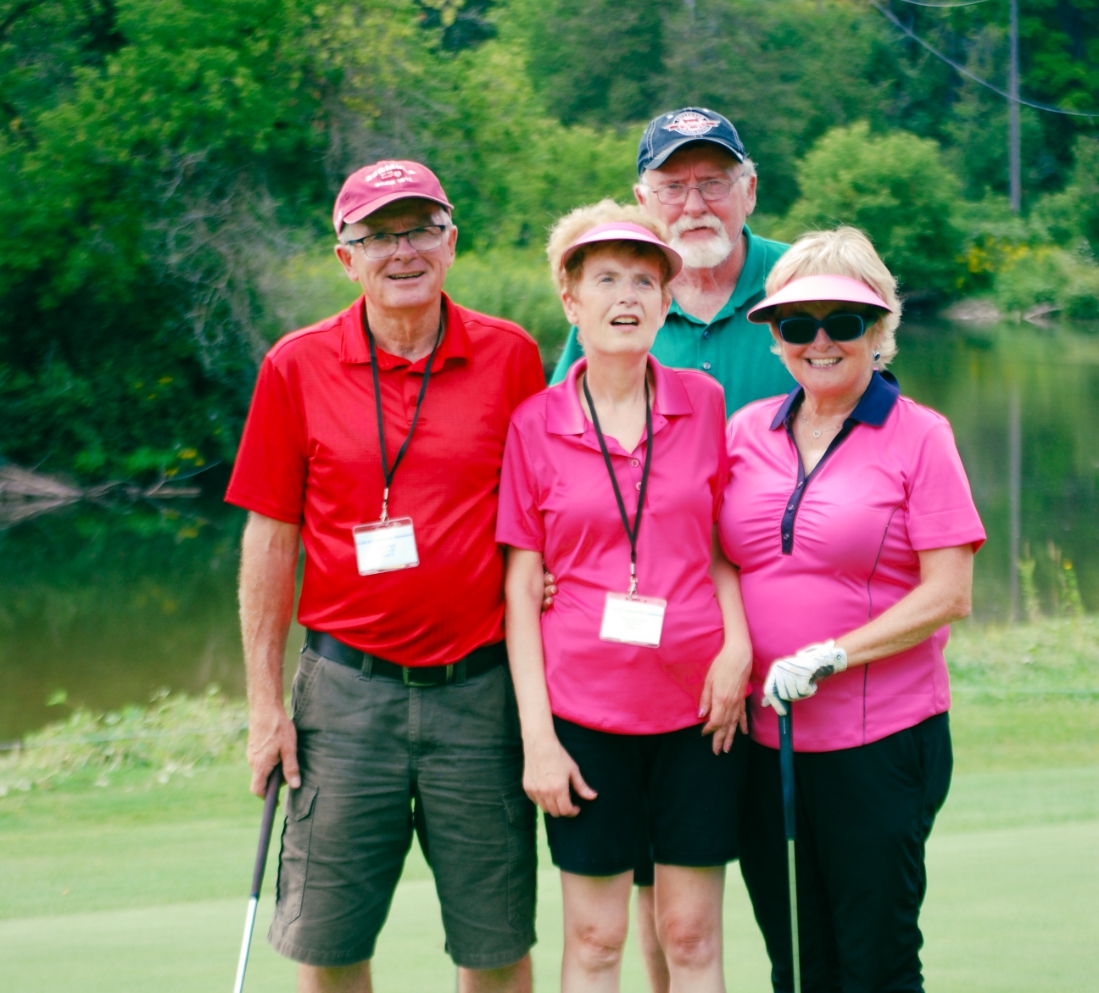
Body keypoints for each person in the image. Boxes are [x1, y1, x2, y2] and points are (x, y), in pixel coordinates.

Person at [225, 159, 545, 993]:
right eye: (377, 235)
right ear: (345, 256)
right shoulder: (294, 366)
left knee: (496, 945)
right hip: (343, 693)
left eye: (418, 229)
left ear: (450, 241)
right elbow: (269, 541)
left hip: (480, 692)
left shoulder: (511, 356)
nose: (400, 251)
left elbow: (544, 515)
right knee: (328, 947)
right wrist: (265, 708)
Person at [548, 108, 795, 992]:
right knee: (655, 914)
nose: (695, 201)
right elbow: (559, 488)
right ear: (644, 201)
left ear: (748, 189)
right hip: (643, 669)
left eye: (712, 181)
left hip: (781, 654)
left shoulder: (794, 286)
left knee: (762, 903)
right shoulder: (610, 317)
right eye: (673, 185)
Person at [719, 227, 986, 993]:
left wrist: (833, 651)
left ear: (879, 329)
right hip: (766, 744)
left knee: (874, 962)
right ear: (775, 338)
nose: (820, 341)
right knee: (797, 961)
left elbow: (949, 592)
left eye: (843, 320)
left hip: (879, 743)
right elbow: (711, 553)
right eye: (796, 325)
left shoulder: (919, 435)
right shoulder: (746, 432)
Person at [498, 202, 755, 992]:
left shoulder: (702, 403)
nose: (627, 296)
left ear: (664, 300)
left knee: (689, 933)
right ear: (570, 299)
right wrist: (537, 738)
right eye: (604, 278)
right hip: (584, 717)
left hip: (697, 713)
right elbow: (518, 587)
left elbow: (718, 546)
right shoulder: (533, 422)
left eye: (644, 280)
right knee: (596, 936)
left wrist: (738, 647)